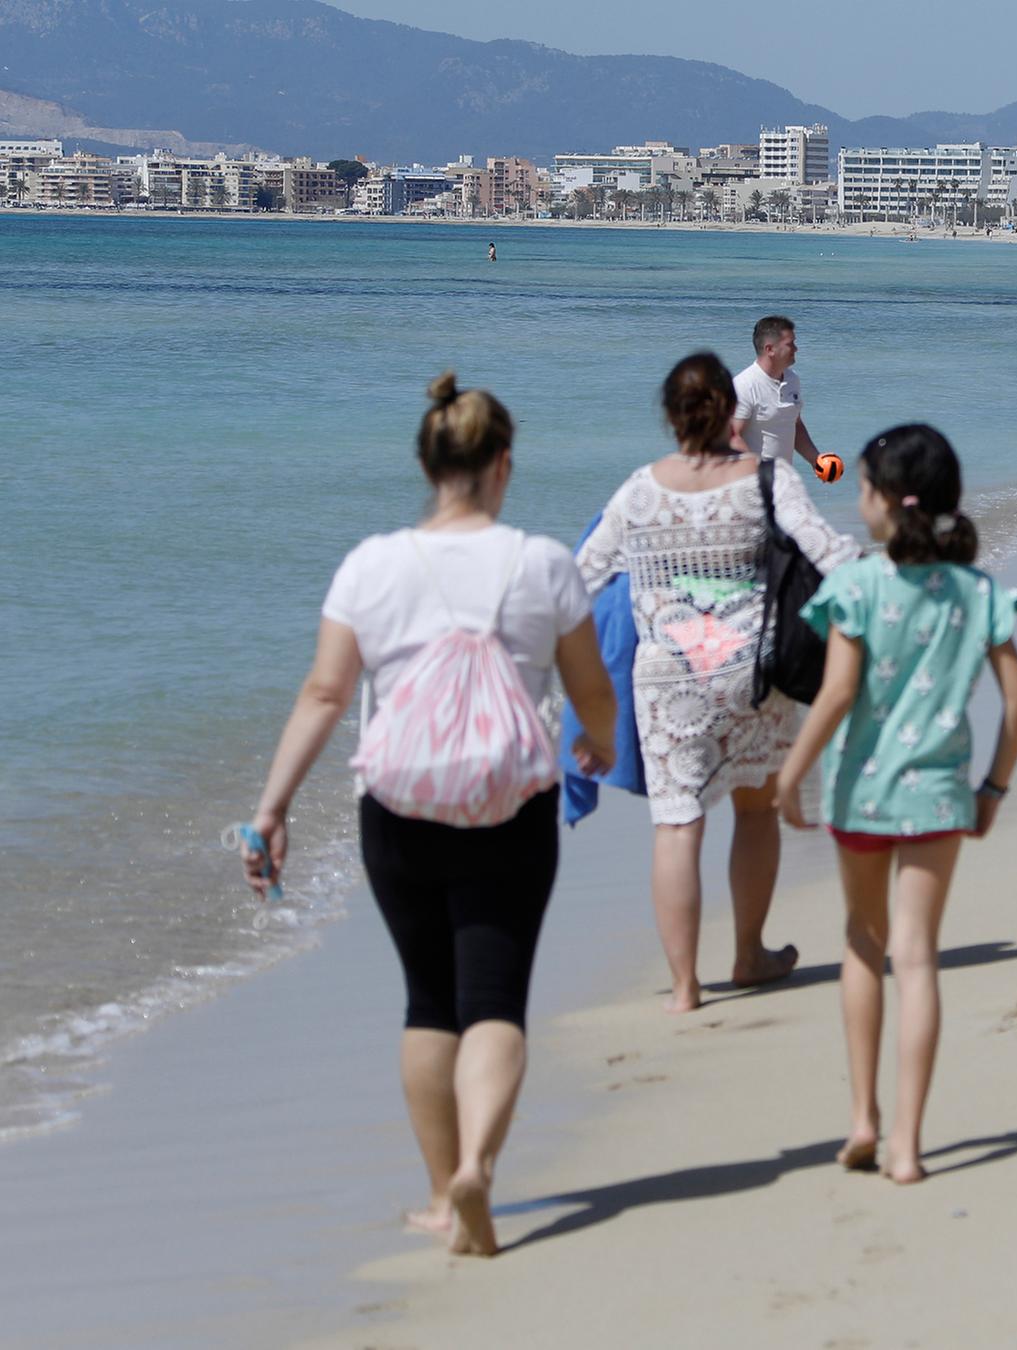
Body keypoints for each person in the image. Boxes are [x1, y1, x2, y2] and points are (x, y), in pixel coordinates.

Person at [241, 374, 616, 1257]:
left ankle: (444, 1200)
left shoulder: (371, 565)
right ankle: (480, 1165)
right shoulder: (541, 563)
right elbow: (588, 688)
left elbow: (326, 692)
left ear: (425, 461)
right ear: (503, 466)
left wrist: (273, 806)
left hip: (398, 808)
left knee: (427, 1001)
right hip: (510, 804)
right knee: (494, 998)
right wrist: (595, 745)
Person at [773, 425, 1017, 1185]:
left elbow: (838, 693)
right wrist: (993, 790)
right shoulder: (978, 591)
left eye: (861, 489)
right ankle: (910, 1148)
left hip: (863, 796)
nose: (857, 502)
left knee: (863, 939)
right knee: (917, 957)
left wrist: (792, 777)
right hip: (942, 795)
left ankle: (862, 1120)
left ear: (888, 502)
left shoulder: (856, 585)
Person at [577, 353, 861, 1013]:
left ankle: (683, 988)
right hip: (752, 675)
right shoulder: (767, 482)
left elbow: (577, 582)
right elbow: (829, 553)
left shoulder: (638, 490)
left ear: (672, 417)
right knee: (755, 811)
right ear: (730, 414)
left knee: (677, 825)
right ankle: (748, 953)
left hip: (667, 679)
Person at [731, 315, 824, 467]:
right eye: (790, 344)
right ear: (770, 349)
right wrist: (758, 473)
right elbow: (733, 438)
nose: (796, 348)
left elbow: (795, 424)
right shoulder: (744, 385)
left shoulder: (792, 379)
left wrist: (816, 460)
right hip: (753, 482)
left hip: (782, 481)